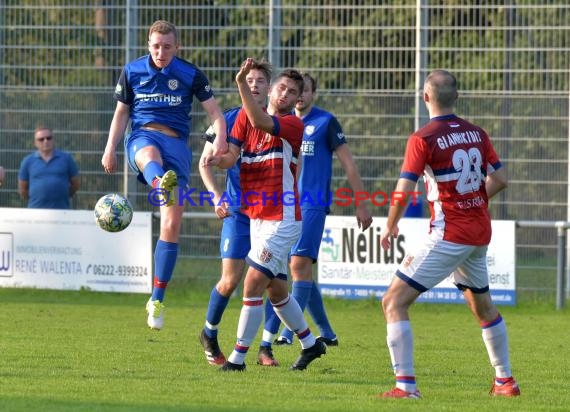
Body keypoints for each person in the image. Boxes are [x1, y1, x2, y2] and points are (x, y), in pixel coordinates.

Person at [378, 69, 519, 399]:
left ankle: (406, 387)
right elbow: (500, 179)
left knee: (393, 301)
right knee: (483, 307)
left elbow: (403, 190)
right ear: (456, 97)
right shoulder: (477, 133)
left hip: (449, 232)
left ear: (425, 97)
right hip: (478, 231)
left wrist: (390, 224)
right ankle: (505, 381)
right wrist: (474, 199)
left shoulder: (423, 138)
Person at [101, 20, 227, 331]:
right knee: (149, 156)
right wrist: (110, 148)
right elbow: (121, 114)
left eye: (167, 46)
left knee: (171, 224)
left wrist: (220, 139)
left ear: (177, 47)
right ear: (148, 45)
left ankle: (157, 298)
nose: (161, 51)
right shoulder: (132, 72)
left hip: (177, 148)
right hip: (143, 136)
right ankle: (159, 182)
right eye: (156, 46)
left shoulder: (190, 74)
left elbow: (216, 114)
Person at [202, 58, 326, 371]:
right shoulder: (243, 120)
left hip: (283, 219)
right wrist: (216, 160)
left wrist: (241, 82)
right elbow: (231, 158)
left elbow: (260, 122)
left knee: (252, 283)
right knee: (277, 290)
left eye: (292, 92)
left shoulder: (293, 125)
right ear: (271, 90)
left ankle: (237, 359)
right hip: (257, 217)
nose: (285, 94)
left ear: (297, 100)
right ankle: (311, 344)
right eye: (281, 87)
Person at [260, 72, 373, 354]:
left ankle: (286, 333)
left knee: (297, 266)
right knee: (295, 271)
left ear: (312, 95)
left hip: (312, 202)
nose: (299, 96)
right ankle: (327, 333)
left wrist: (361, 202)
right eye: (295, 90)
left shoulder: (325, 122)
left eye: (305, 91)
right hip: (283, 203)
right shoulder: (281, 124)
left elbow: (349, 164)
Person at [198, 58, 274, 366]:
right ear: (241, 83)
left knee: (274, 281)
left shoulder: (275, 122)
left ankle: (265, 347)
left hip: (269, 214)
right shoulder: (225, 122)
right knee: (230, 281)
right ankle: (209, 331)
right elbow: (205, 163)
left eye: (260, 80)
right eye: (249, 79)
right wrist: (217, 196)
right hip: (240, 213)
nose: (254, 85)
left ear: (268, 87)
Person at [18, 126, 80, 209]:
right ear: (35, 143)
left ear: (53, 140)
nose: (45, 141)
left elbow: (75, 184)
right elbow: (23, 189)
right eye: (41, 139)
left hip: (62, 211)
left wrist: (62, 194)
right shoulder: (28, 161)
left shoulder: (66, 158)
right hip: (36, 211)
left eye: (49, 138)